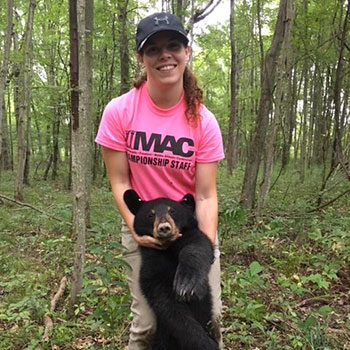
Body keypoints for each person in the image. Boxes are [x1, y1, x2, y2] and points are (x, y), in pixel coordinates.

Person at [95, 12, 225, 350]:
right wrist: (137, 229)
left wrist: (201, 249)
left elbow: (206, 195)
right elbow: (120, 182)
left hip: (190, 226)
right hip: (144, 223)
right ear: (141, 58)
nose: (164, 55)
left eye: (173, 46)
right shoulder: (119, 111)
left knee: (207, 317)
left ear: (187, 51)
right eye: (153, 49)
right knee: (148, 323)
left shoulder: (204, 121)